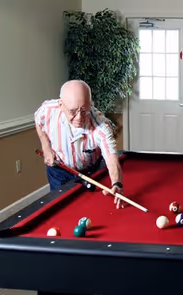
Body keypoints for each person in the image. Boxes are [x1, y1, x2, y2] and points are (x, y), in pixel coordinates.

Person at [34, 80, 125, 209]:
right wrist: (46, 146)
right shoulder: (47, 110)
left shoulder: (101, 126)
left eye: (84, 110)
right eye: (73, 111)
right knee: (61, 209)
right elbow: (38, 120)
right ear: (61, 105)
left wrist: (117, 183)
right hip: (59, 170)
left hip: (91, 171)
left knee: (91, 208)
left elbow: (111, 158)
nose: (79, 118)